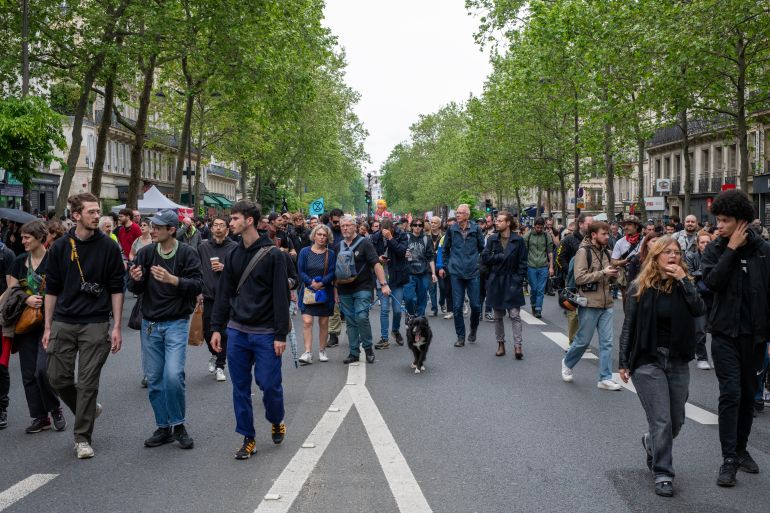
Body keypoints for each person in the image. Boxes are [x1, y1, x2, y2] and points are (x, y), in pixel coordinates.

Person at [618, 236, 705, 497]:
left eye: (676, 252)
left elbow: (699, 308)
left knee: (676, 420)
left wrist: (683, 279)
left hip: (677, 358)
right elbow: (629, 326)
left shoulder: (684, 285)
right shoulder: (639, 287)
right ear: (655, 257)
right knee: (662, 420)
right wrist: (623, 361)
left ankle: (650, 443)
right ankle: (663, 472)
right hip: (648, 359)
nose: (673, 256)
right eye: (666, 252)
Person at [42, 192, 125, 459]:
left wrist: (116, 326)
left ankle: (82, 438)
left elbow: (116, 288)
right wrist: (47, 327)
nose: (97, 215)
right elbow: (51, 289)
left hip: (95, 322)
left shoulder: (109, 246)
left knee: (88, 382)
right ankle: (87, 407)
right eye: (91, 212)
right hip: (64, 321)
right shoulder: (59, 247)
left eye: (98, 211)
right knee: (56, 377)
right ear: (76, 215)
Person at [210, 201, 290, 461]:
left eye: (234, 219)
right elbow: (223, 294)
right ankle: (248, 437)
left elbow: (281, 296)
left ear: (250, 221)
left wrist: (280, 335)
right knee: (240, 388)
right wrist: (216, 328)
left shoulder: (274, 255)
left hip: (266, 333)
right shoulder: (233, 255)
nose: (230, 223)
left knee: (269, 385)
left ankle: (276, 419)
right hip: (237, 331)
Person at [700, 189, 770, 487]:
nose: (719, 226)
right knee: (730, 394)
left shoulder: (764, 250)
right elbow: (712, 282)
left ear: (742, 221)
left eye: (725, 220)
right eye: (717, 220)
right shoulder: (715, 250)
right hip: (724, 334)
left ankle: (741, 450)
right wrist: (731, 249)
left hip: (754, 337)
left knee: (747, 397)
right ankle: (728, 459)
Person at [128, 210, 202, 449]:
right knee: (155, 379)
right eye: (151, 225)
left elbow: (198, 285)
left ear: (172, 229)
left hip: (176, 324)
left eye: (158, 227)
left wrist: (174, 280)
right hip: (150, 326)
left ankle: (179, 424)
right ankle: (163, 427)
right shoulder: (145, 253)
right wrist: (135, 278)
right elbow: (134, 289)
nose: (152, 230)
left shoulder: (187, 254)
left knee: (173, 375)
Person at [8, 220, 64, 434]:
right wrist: (26, 299)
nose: (22, 241)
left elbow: (64, 289)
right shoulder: (20, 261)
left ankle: (55, 408)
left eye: (26, 237)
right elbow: (12, 291)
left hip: (51, 322)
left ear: (40, 238)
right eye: (22, 237)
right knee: (29, 373)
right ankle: (40, 417)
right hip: (25, 323)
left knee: (43, 370)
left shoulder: (54, 259)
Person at [560, 221, 620, 390]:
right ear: (594, 235)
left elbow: (610, 278)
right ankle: (567, 363)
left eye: (608, 234)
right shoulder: (582, 252)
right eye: (604, 234)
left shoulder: (607, 253)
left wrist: (614, 275)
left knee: (607, 342)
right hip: (589, 303)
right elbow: (580, 279)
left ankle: (605, 378)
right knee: (583, 341)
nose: (607, 237)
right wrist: (603, 273)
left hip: (606, 303)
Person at [336, 215, 391, 364]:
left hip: (363, 287)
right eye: (343, 226)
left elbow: (376, 264)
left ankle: (368, 348)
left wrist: (383, 284)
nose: (345, 228)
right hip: (344, 289)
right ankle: (353, 352)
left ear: (355, 226)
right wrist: (335, 292)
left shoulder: (365, 243)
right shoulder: (337, 246)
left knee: (361, 317)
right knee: (350, 321)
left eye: (348, 225)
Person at [481, 212, 527, 358]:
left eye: (500, 221)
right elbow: (485, 257)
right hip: (496, 280)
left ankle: (518, 346)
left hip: (512, 280)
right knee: (498, 315)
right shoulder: (492, 239)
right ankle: (500, 344)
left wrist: (519, 279)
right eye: (496, 220)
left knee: (515, 315)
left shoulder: (518, 241)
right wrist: (499, 257)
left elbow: (523, 262)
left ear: (508, 223)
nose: (497, 223)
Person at [197, 216, 237, 381]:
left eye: (222, 225)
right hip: (208, 296)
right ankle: (215, 353)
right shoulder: (203, 247)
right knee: (208, 331)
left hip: (228, 295)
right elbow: (197, 270)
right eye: (216, 225)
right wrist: (197, 292)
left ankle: (220, 365)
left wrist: (224, 267)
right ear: (211, 229)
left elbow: (240, 271)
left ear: (227, 229)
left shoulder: (235, 247)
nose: (219, 228)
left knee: (224, 332)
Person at [440, 204, 484, 347]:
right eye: (457, 212)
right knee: (457, 307)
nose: (457, 215)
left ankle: (473, 328)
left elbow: (482, 249)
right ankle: (460, 336)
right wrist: (448, 266)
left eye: (460, 213)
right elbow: (445, 249)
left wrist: (479, 264)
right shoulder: (451, 229)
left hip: (473, 272)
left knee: (476, 306)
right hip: (456, 273)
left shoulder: (476, 229)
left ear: (467, 215)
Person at [297, 225, 336, 364]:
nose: (321, 237)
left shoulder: (330, 254)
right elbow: (300, 271)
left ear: (328, 238)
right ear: (314, 236)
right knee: (307, 321)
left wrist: (322, 283)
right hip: (308, 291)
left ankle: (322, 350)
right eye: (319, 234)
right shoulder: (304, 252)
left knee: (324, 322)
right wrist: (311, 283)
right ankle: (307, 352)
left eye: (324, 235)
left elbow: (332, 272)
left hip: (324, 291)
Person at [370, 218, 408, 349]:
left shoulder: (401, 235)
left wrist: (391, 239)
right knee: (385, 309)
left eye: (388, 231)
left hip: (397, 276)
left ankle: (395, 330)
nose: (384, 234)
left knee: (397, 310)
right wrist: (378, 259)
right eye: (383, 232)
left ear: (393, 228)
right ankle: (384, 338)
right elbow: (370, 256)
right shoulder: (374, 237)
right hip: (382, 276)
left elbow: (402, 252)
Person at [556, 213, 593, 344]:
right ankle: (573, 342)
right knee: (573, 313)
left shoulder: (594, 240)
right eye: (589, 223)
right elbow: (559, 258)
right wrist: (570, 272)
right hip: (572, 282)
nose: (592, 226)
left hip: (589, 281)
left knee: (587, 313)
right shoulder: (568, 240)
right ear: (581, 224)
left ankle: (583, 341)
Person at [685, 230, 715, 370]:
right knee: (700, 331)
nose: (705, 245)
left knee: (717, 331)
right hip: (699, 298)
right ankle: (702, 357)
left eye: (708, 242)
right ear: (698, 244)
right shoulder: (691, 256)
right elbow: (690, 275)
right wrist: (707, 271)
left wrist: (701, 272)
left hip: (715, 297)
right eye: (702, 242)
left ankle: (718, 358)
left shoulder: (718, 256)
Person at [403, 218, 437, 319]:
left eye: (420, 225)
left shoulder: (427, 238)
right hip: (409, 273)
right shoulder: (406, 237)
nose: (417, 227)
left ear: (422, 227)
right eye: (415, 225)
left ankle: (419, 321)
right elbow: (399, 251)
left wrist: (433, 273)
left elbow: (430, 257)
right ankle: (410, 315)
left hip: (423, 273)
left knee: (422, 299)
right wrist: (403, 254)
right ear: (411, 226)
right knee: (409, 298)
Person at [523, 217, 554, 319]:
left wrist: (551, 267)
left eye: (541, 227)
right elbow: (524, 252)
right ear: (534, 226)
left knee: (540, 290)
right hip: (531, 266)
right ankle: (533, 305)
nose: (539, 229)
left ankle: (538, 309)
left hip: (543, 266)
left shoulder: (546, 236)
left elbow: (550, 252)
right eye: (537, 227)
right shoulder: (527, 236)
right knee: (534, 289)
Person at [611, 215, 644, 309]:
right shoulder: (620, 242)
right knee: (627, 303)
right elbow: (613, 262)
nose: (625, 227)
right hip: (627, 277)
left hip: (643, 275)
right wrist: (624, 261)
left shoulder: (645, 240)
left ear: (636, 226)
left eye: (629, 224)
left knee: (643, 302)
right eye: (624, 225)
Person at [0, 236, 15, 430]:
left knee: (1, 365)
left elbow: (12, 286)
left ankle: (2, 407)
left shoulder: (6, 254)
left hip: (2, 315)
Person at [325, 209, 344, 348]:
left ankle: (354, 334)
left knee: (349, 304)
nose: (338, 224)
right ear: (330, 220)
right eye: (335, 221)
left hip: (347, 272)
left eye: (340, 221)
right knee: (334, 305)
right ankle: (333, 335)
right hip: (331, 272)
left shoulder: (346, 230)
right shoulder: (326, 232)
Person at [436, 218, 455, 320]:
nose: (451, 227)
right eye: (449, 226)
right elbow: (440, 253)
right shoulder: (443, 238)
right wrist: (440, 267)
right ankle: (450, 310)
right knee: (447, 289)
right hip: (448, 268)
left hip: (460, 268)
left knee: (458, 290)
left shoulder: (463, 237)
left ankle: (458, 308)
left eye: (453, 225)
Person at [426, 216, 443, 315]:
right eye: (431, 222)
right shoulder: (425, 236)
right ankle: (434, 309)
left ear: (439, 225)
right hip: (429, 267)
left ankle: (441, 302)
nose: (432, 224)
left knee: (443, 288)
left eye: (435, 223)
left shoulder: (444, 236)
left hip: (441, 266)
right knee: (432, 288)